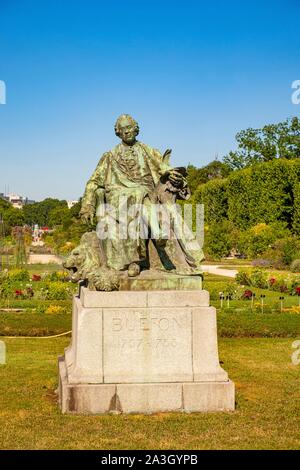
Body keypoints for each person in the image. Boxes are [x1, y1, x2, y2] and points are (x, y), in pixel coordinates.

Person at [80, 114, 202, 277]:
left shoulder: (148, 151)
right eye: (122, 129)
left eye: (129, 128)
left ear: (136, 130)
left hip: (147, 194)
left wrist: (172, 175)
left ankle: (142, 257)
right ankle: (154, 236)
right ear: (118, 132)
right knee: (138, 194)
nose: (127, 132)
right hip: (118, 194)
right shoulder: (109, 156)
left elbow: (164, 168)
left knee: (142, 195)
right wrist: (87, 205)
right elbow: (93, 182)